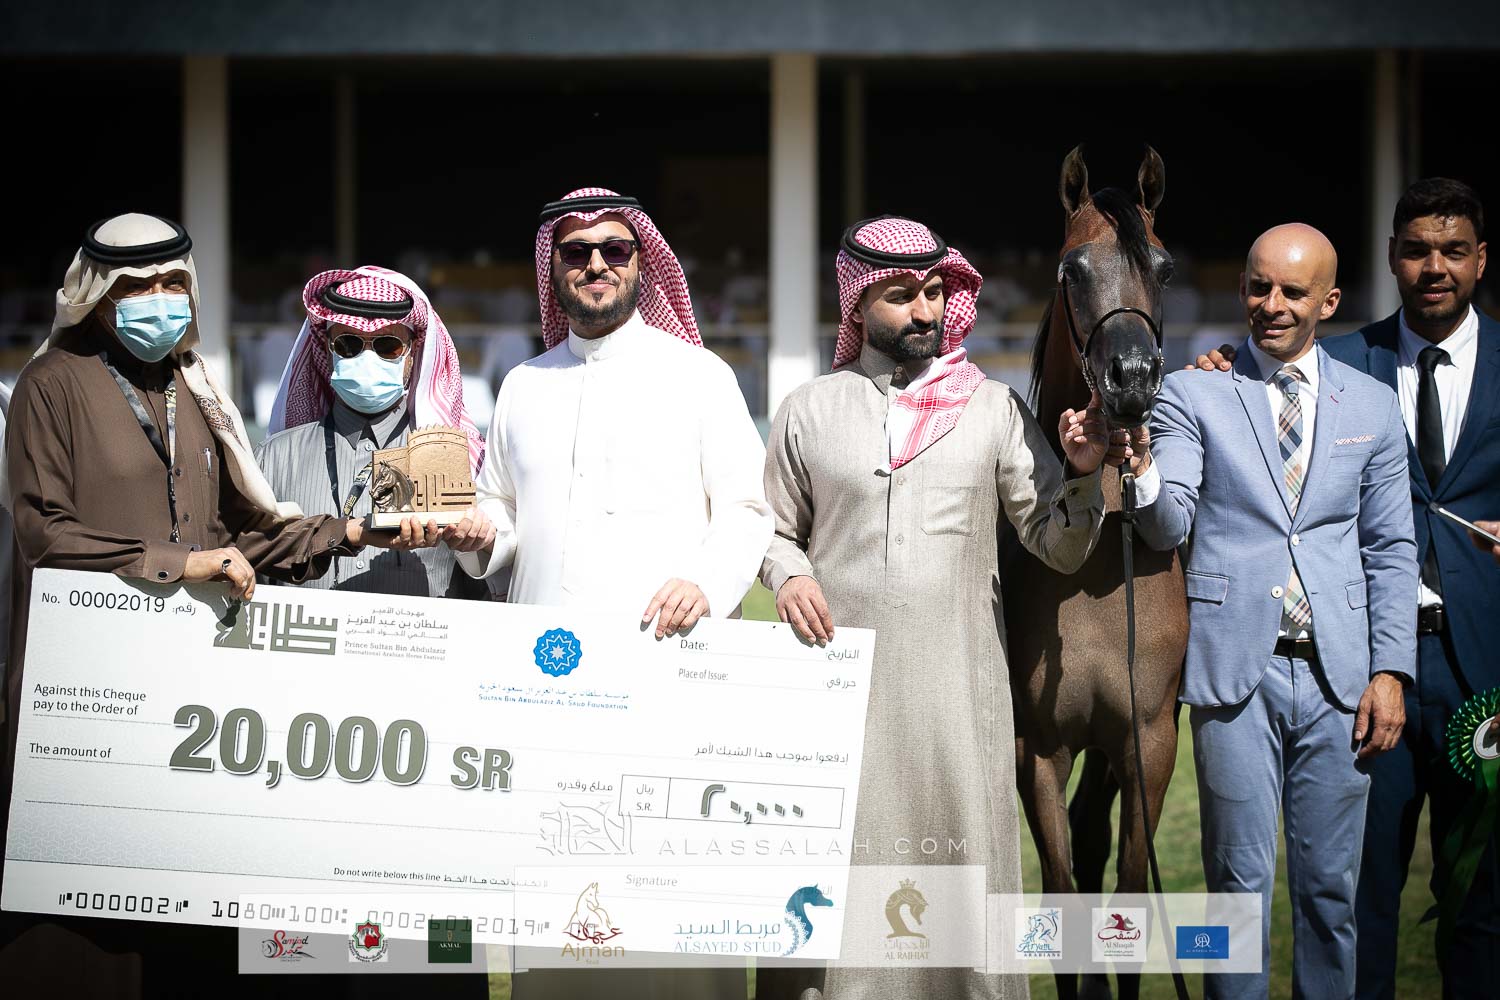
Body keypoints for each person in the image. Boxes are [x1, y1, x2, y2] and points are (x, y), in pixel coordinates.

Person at [0, 213, 435, 998]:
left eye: (173, 283)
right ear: (98, 294)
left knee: (185, 934)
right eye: (137, 286)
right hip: (87, 704)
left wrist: (354, 531)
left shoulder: (198, 392)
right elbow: (43, 533)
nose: (158, 300)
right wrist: (182, 563)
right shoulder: (51, 385)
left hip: (184, 705)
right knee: (79, 943)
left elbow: (245, 537)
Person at [758, 216, 1120, 1000]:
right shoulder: (809, 410)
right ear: (857, 303)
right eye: (901, 296)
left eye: (932, 292)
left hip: (958, 701)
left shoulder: (992, 409)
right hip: (837, 702)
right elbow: (774, 531)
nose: (923, 310)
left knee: (958, 881)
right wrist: (787, 576)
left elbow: (1057, 544)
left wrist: (1084, 474)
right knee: (840, 877)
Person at [458, 189, 772, 999]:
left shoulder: (699, 376)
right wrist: (481, 536)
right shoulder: (523, 384)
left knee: (671, 930)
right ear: (553, 269)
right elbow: (502, 513)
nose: (595, 263)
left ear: (641, 264)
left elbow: (747, 510)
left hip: (667, 680)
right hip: (546, 688)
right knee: (561, 926)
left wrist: (705, 584)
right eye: (576, 251)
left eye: (614, 249)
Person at [1188, 181, 1499, 997]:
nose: (1434, 267)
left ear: (1481, 260)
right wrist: (1215, 369)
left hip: (1475, 667)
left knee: (1479, 892)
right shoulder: (1343, 358)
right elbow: (1258, 379)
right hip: (1346, 669)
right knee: (1349, 892)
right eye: (1416, 250)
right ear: (1392, 259)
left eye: (1454, 250)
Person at [1130, 223, 1417, 998]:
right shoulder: (1192, 391)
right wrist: (1142, 472)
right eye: (1259, 287)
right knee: (1233, 893)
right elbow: (1167, 522)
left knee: (1330, 896)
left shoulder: (1373, 405)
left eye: (1293, 291)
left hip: (1341, 680)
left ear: (1330, 300)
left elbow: (1392, 549)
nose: (1272, 304)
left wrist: (1391, 671)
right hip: (1233, 676)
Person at [258, 265, 495, 596]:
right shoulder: (274, 458)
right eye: (348, 344)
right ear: (327, 349)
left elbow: (486, 583)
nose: (367, 358)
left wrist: (481, 542)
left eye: (387, 346)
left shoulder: (459, 460)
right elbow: (250, 558)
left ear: (413, 353)